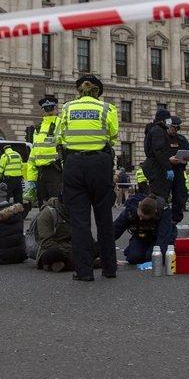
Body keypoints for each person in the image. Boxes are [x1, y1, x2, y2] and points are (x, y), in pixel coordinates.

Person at [56, 74, 119, 282]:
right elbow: (113, 134)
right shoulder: (107, 109)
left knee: (79, 222)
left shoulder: (67, 108)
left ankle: (84, 271)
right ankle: (109, 268)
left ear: (79, 90)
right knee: (104, 218)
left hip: (74, 163)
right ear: (98, 91)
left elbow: (60, 136)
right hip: (100, 164)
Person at [140, 109, 179, 261]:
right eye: (168, 119)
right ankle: (161, 238)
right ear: (164, 120)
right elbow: (159, 151)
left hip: (154, 167)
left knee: (159, 198)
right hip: (157, 169)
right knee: (160, 201)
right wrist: (168, 167)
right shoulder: (158, 131)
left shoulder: (155, 130)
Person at [25, 95, 63, 204]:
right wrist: (31, 180)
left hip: (56, 171)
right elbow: (33, 156)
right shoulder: (38, 128)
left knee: (56, 205)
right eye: (46, 109)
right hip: (41, 173)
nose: (49, 111)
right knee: (42, 205)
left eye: (51, 108)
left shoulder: (61, 123)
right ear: (43, 111)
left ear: (56, 109)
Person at [114, 192, 160, 264]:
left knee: (152, 257)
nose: (141, 219)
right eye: (140, 216)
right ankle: (133, 249)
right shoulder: (130, 211)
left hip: (156, 238)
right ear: (138, 206)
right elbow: (115, 230)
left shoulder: (162, 212)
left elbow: (164, 236)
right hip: (141, 236)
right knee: (133, 258)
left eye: (144, 218)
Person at [34, 196, 72, 272]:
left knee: (96, 247)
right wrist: (69, 249)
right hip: (53, 248)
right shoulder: (47, 213)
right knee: (54, 253)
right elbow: (46, 242)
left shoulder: (77, 211)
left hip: (71, 247)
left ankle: (65, 265)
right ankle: (85, 262)